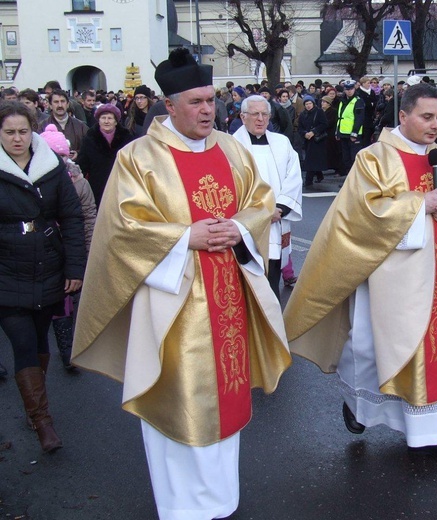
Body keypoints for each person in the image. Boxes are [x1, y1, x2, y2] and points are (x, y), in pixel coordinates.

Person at [72, 48, 292, 520]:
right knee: (179, 402)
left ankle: (220, 502)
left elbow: (260, 200)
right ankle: (180, 510)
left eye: (211, 100)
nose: (208, 110)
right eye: (195, 102)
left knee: (226, 401)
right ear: (169, 106)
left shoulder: (232, 149)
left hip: (229, 293)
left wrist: (241, 228)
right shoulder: (138, 158)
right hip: (175, 302)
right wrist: (182, 236)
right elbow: (122, 229)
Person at [283, 83, 437, 464]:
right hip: (389, 277)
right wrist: (418, 203)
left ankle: (432, 434)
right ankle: (360, 407)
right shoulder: (374, 159)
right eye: (426, 116)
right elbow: (360, 215)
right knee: (375, 350)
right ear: (403, 116)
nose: (434, 125)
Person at [0, 102, 86, 452]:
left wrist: (75, 268)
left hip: (47, 264)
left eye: (23, 131)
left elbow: (72, 216)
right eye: (9, 132)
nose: (17, 138)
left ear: (32, 131)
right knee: (22, 342)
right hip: (6, 269)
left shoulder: (51, 167)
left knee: (39, 340)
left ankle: (35, 404)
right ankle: (43, 423)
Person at [233, 95, 303, 300]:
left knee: (272, 279)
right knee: (247, 282)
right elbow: (231, 184)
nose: (260, 119)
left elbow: (294, 177)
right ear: (242, 116)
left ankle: (271, 326)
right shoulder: (232, 145)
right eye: (255, 114)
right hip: (247, 225)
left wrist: (280, 208)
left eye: (265, 114)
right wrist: (259, 213)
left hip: (276, 221)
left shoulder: (282, 143)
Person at [39, 124, 96, 371]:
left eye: (63, 155)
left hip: (69, 249)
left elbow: (87, 216)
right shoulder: (36, 181)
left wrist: (89, 247)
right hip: (43, 251)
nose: (60, 161)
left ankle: (68, 352)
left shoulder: (80, 183)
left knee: (68, 300)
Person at [76, 104, 134, 207]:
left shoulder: (127, 138)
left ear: (116, 121)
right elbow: (82, 165)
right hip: (98, 189)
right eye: (103, 118)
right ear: (98, 120)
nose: (106, 121)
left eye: (110, 118)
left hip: (121, 188)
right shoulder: (89, 139)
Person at [38, 89, 89, 159]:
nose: (60, 105)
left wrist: (78, 153)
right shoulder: (42, 127)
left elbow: (90, 148)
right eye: (56, 102)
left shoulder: (81, 127)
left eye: (62, 101)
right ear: (50, 105)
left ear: (67, 104)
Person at [297, 95, 328, 187]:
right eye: (306, 104)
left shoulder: (319, 112)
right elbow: (300, 128)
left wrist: (314, 132)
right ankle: (319, 175)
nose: (308, 105)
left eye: (310, 103)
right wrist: (305, 133)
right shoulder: (303, 114)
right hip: (308, 140)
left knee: (310, 160)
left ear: (313, 104)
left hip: (318, 140)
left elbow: (324, 124)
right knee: (313, 160)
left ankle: (308, 181)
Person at [336, 80, 365, 176]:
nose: (349, 91)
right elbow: (340, 117)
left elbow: (359, 118)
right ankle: (349, 180)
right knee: (346, 159)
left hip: (353, 134)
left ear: (354, 89)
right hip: (343, 133)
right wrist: (337, 131)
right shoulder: (342, 101)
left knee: (354, 158)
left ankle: (356, 180)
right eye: (347, 89)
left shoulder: (358, 101)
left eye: (351, 89)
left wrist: (354, 133)